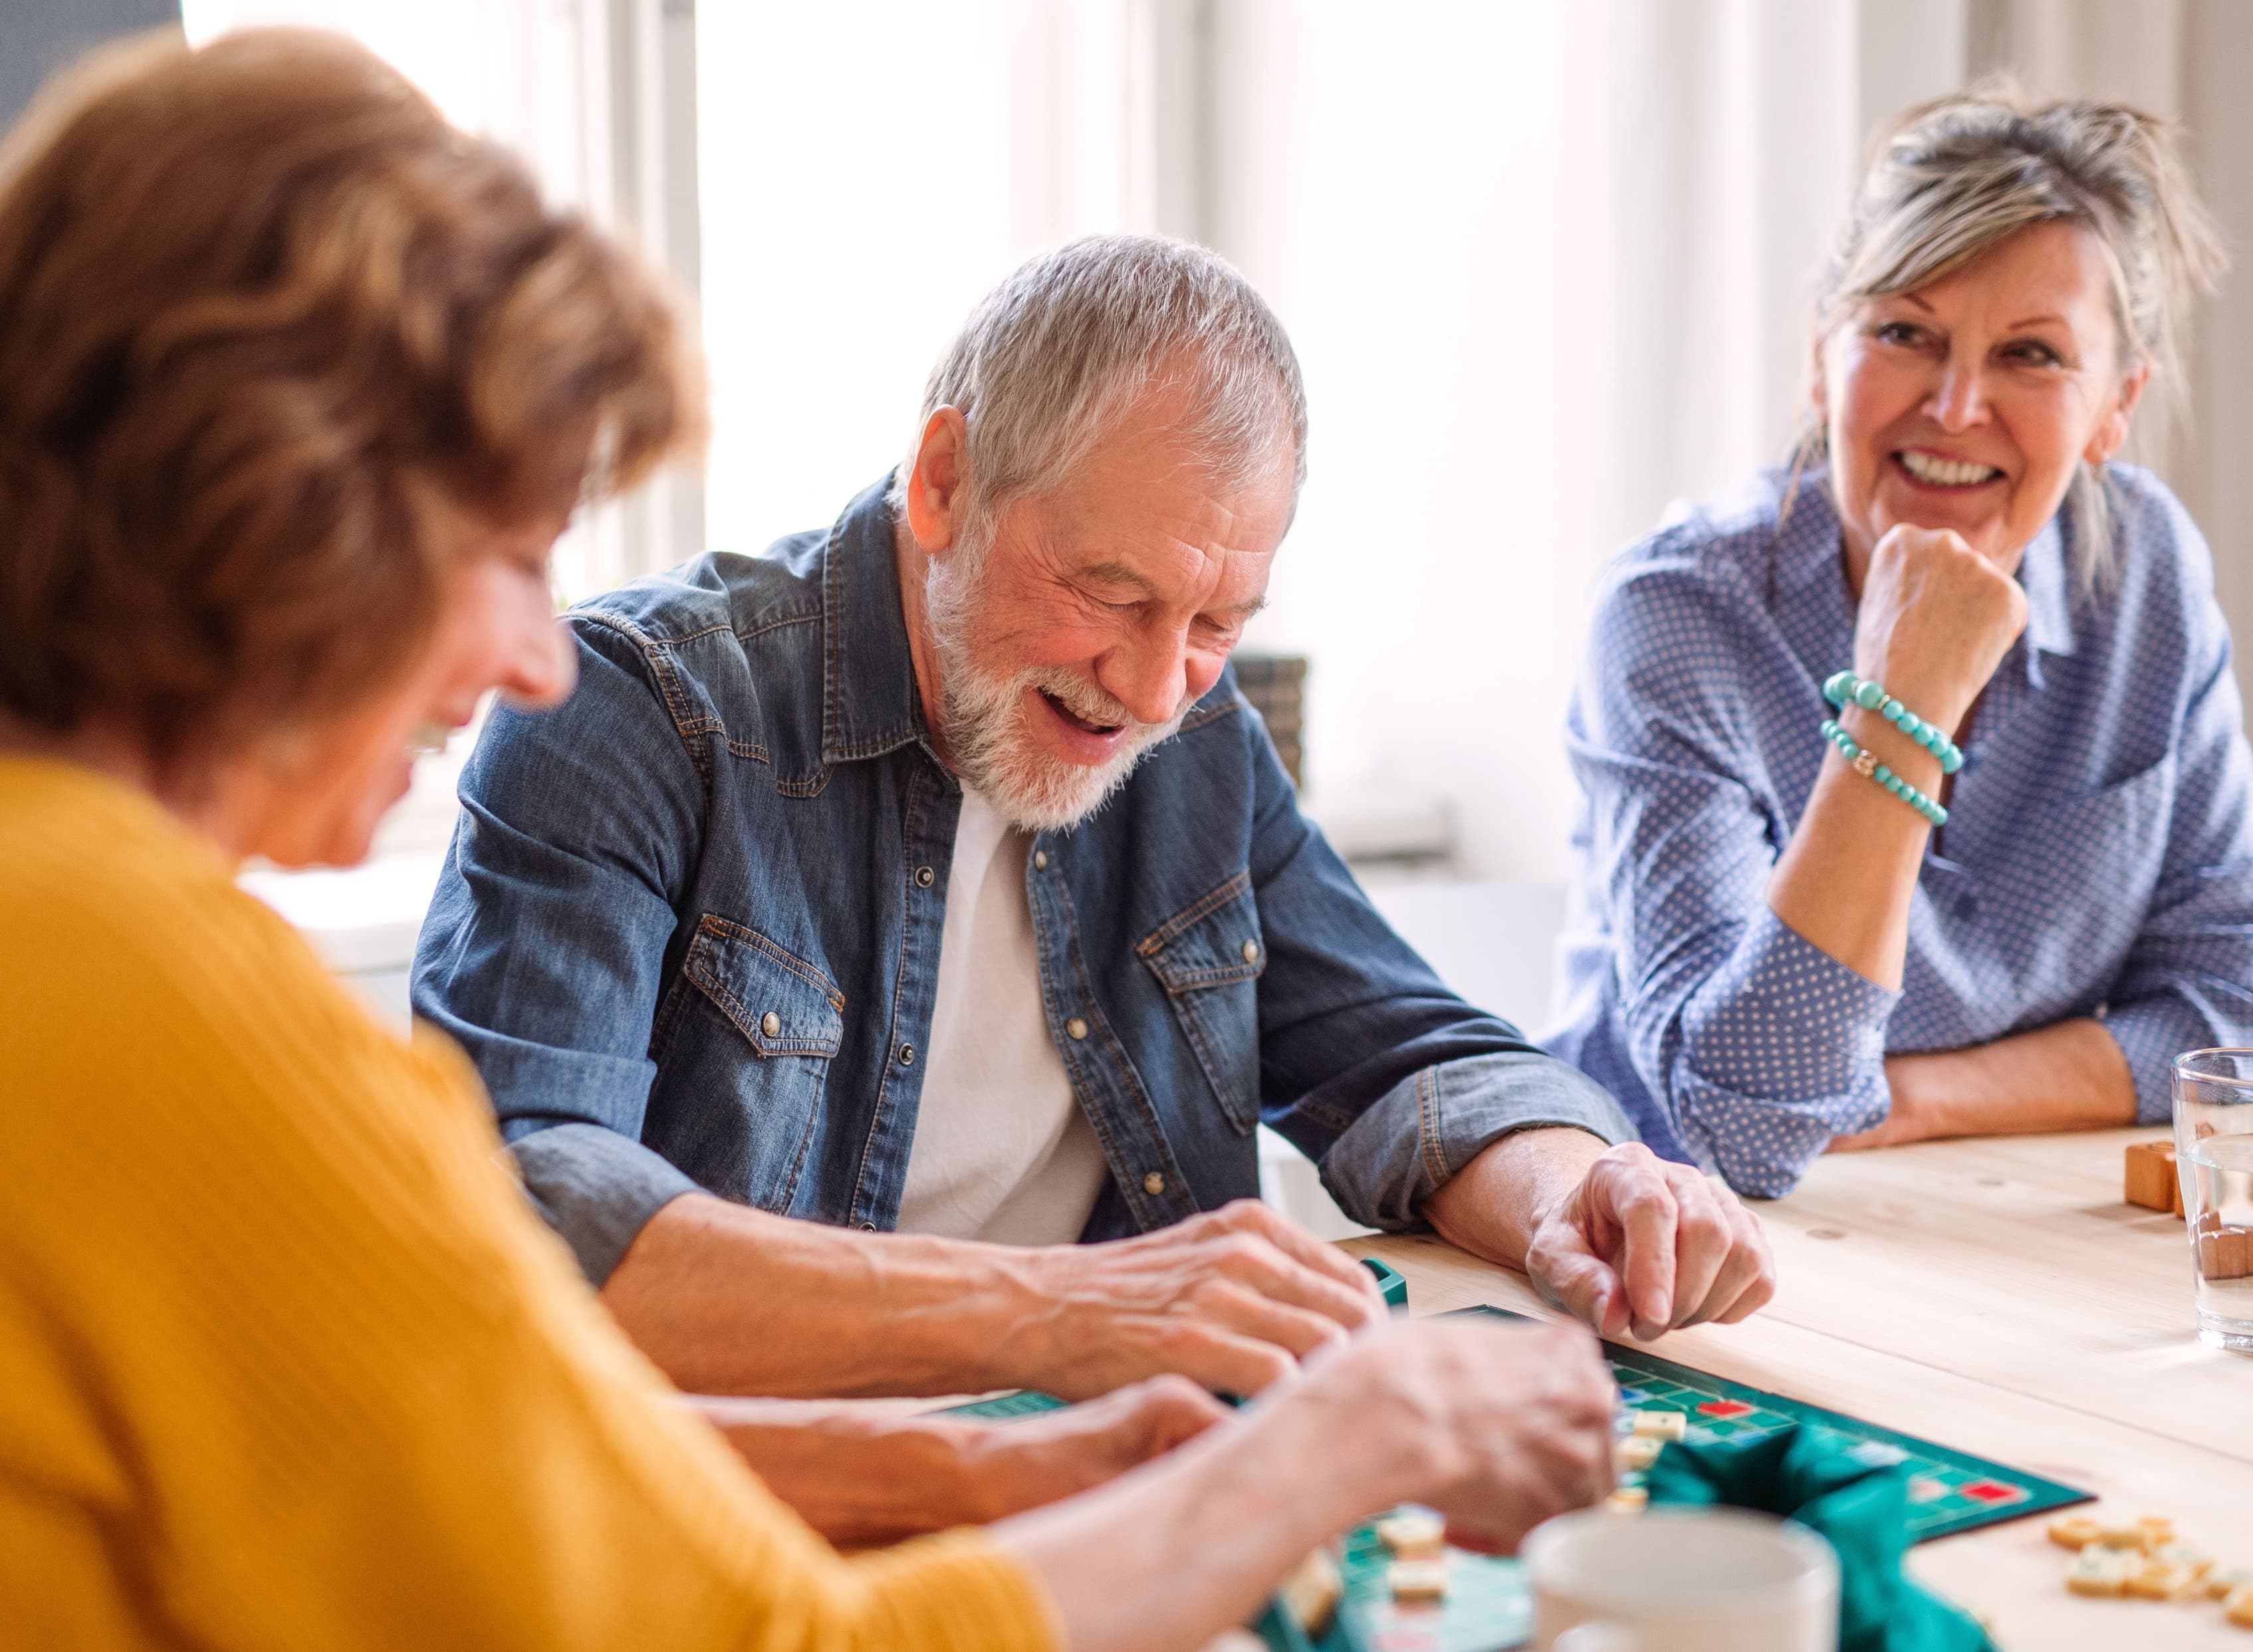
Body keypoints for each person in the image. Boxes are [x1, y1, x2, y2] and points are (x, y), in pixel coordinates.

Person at [0, 31, 1622, 1651]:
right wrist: (1330, 1443)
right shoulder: (154, 978)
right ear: (274, 511)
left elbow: (497, 1451)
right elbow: (759, 1619)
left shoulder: (72, 906)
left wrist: (1015, 1470)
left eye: (1211, 619)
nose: (531, 653)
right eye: (502, 551)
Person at [410, 233, 1778, 1403]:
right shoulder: (631, 708)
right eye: (1114, 596)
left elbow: (1400, 1052)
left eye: (1218, 622)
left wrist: (1575, 1192)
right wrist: (1068, 1314)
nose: (1153, 685)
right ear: (943, 479)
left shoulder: (1196, 736)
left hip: (1112, 1448)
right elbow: (534, 1207)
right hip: (761, 1487)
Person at [1547, 89, 2253, 1197]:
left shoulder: (2143, 572)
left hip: (1965, 1207)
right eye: (1905, 332)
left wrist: (1919, 1097)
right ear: (1822, 358)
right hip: (1656, 1240)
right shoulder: (1676, 614)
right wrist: (1901, 703)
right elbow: (1744, 1128)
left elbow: (2233, 1013)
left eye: (2033, 355)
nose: (1955, 408)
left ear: (2115, 407)